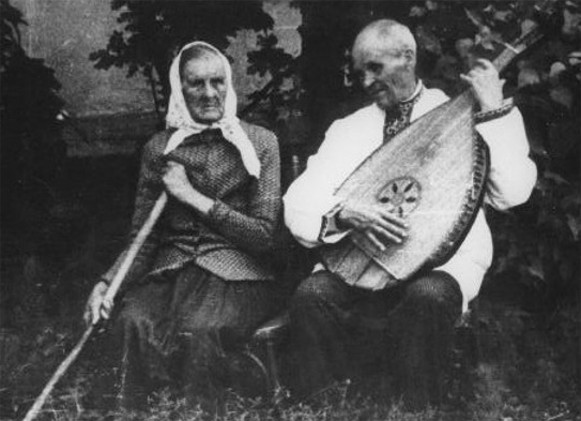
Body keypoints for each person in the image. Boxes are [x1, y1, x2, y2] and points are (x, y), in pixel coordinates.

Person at [283, 19, 537, 409]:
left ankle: (415, 411)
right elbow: (298, 202)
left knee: (428, 297)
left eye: (375, 68)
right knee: (311, 295)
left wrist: (496, 111)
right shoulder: (348, 129)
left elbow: (514, 194)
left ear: (408, 57)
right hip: (360, 262)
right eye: (359, 71)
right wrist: (345, 215)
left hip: (442, 262)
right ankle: (325, 409)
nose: (365, 81)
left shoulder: (458, 114)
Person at [83, 41, 284, 410]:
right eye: (196, 84)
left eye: (218, 82)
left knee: (201, 330)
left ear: (229, 83)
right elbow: (142, 238)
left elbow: (264, 237)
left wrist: (191, 195)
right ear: (180, 88)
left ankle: (198, 414)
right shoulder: (159, 149)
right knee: (131, 321)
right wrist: (107, 283)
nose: (210, 93)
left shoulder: (261, 144)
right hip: (171, 273)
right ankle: (132, 415)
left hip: (239, 276)